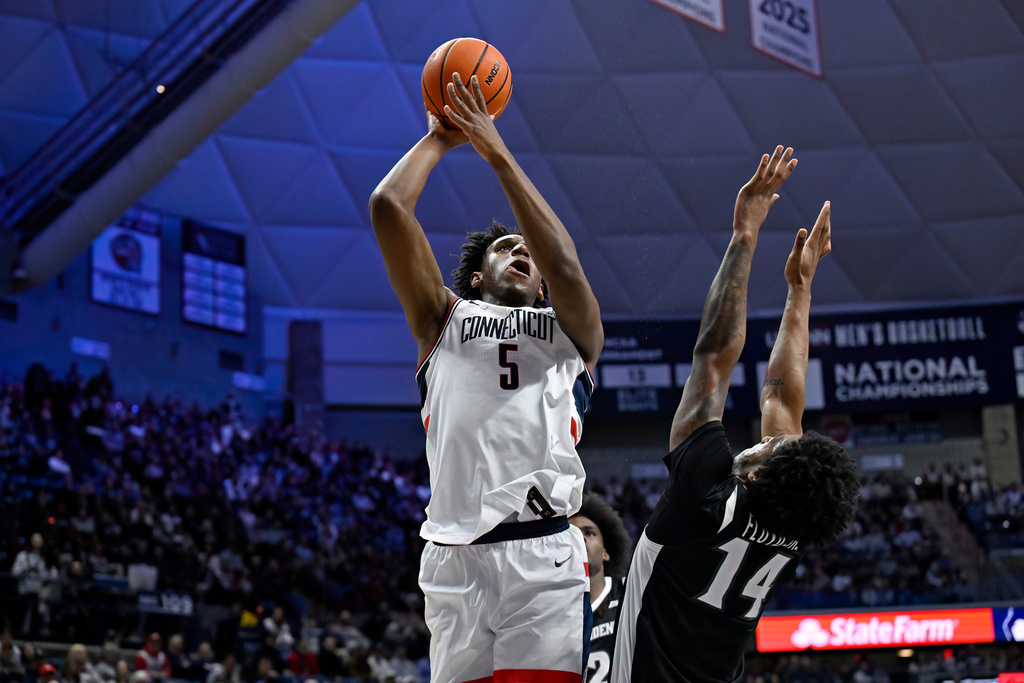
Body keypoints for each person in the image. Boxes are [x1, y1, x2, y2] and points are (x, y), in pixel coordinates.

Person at [368, 71, 603, 683]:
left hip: (542, 549)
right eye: (506, 248)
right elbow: (389, 207)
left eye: (531, 251)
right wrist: (442, 140)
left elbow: (568, 264)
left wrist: (497, 153)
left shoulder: (570, 331)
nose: (523, 251)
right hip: (452, 560)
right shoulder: (442, 319)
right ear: (476, 277)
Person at [611, 147, 860, 683]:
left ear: (757, 472)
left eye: (771, 446)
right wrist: (800, 291)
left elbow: (713, 358)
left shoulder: (707, 498)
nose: (768, 436)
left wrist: (744, 234)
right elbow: (781, 402)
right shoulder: (791, 523)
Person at [570, 494, 632, 683]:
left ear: (606, 553)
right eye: (571, 534)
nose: (580, 538)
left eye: (589, 533)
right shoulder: (545, 608)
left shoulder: (629, 594)